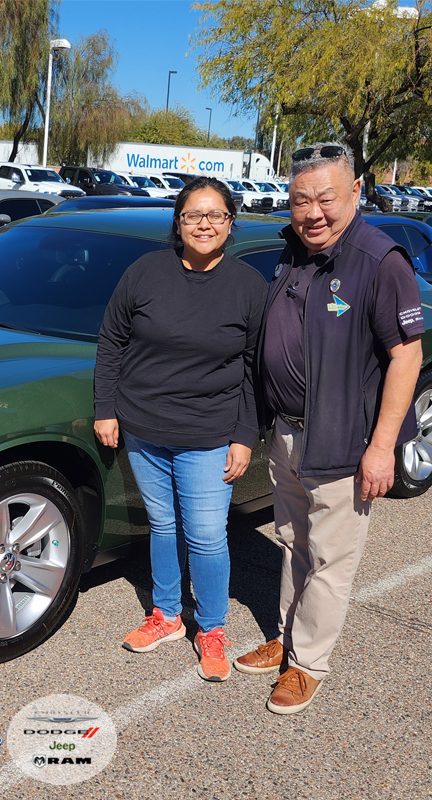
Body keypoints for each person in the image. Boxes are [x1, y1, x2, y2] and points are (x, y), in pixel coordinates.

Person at [234, 143, 424, 713]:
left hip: (344, 440)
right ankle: (288, 638)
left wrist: (383, 446)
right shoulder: (291, 253)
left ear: (356, 193)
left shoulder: (379, 260)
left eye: (326, 198)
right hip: (289, 437)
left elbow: (406, 357)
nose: (314, 211)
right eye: (301, 200)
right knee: (293, 542)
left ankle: (309, 663)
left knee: (330, 559)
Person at [94, 176, 267, 682]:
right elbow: (112, 341)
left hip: (210, 434)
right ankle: (168, 616)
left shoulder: (247, 287)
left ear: (231, 223)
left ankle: (211, 627)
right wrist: (107, 406)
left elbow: (257, 369)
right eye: (194, 215)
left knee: (208, 536)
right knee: (164, 526)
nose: (205, 224)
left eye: (216, 215)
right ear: (179, 221)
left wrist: (244, 435)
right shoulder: (145, 272)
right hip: (144, 429)